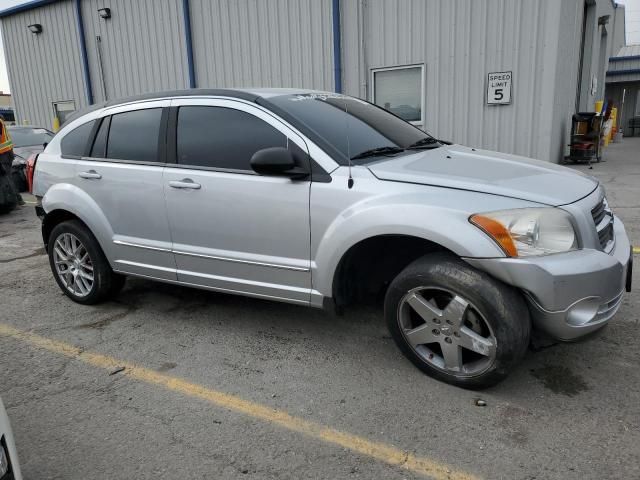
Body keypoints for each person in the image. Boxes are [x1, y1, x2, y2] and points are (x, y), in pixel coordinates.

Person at [0, 114, 24, 209]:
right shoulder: (1, 122)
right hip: (6, 154)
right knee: (8, 178)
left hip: (3, 155)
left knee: (7, 179)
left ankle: (15, 202)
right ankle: (18, 199)